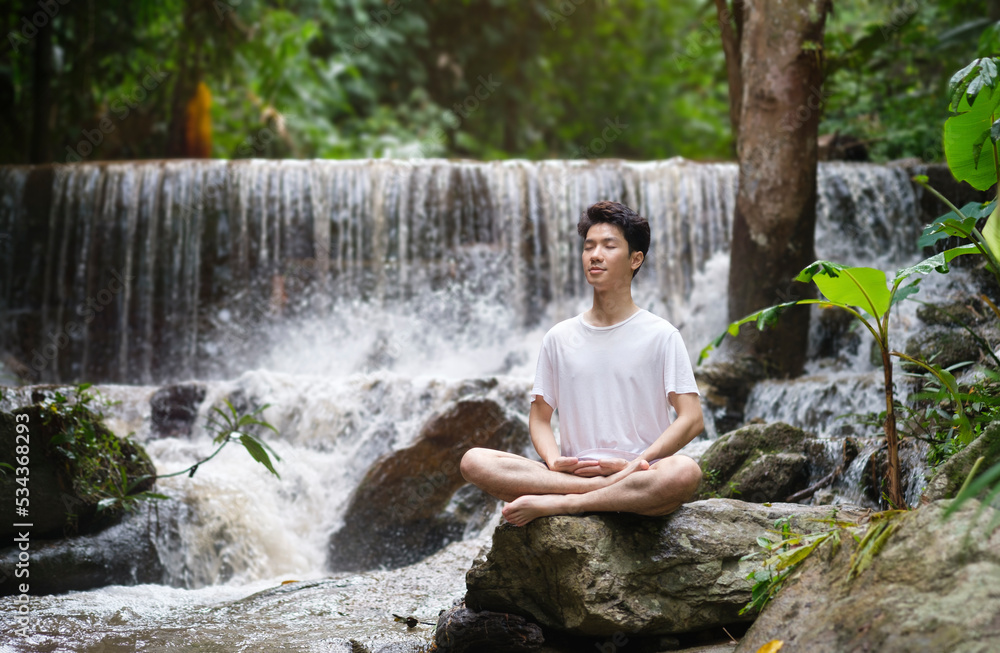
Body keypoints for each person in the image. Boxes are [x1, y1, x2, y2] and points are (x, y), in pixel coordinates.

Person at [461, 200, 704, 526]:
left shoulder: (662, 335)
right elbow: (540, 418)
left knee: (684, 471)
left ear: (635, 259)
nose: (595, 255)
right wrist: (554, 459)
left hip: (639, 472)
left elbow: (691, 418)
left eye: (608, 245)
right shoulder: (559, 337)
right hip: (574, 471)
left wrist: (637, 463)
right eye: (589, 246)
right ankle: (597, 493)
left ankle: (567, 504)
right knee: (474, 461)